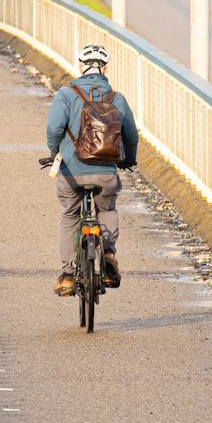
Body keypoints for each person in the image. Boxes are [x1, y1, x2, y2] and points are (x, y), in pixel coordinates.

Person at [45, 43, 140, 297]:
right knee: (107, 208)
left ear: (80, 66)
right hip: (105, 172)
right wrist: (128, 160)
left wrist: (55, 153)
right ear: (105, 69)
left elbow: (54, 129)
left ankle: (67, 275)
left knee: (70, 215)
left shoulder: (66, 94)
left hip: (71, 174)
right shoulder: (116, 98)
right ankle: (108, 255)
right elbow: (131, 136)